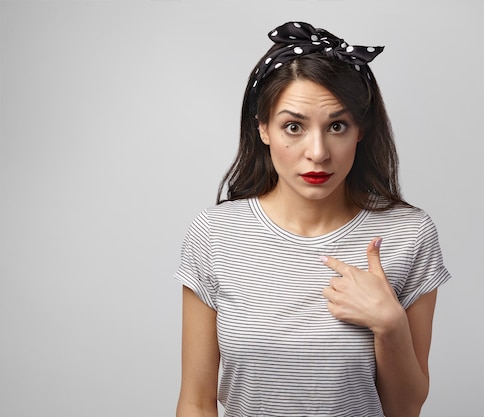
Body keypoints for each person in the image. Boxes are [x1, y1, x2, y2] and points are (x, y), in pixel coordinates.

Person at [174, 21, 451, 417]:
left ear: (360, 131)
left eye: (336, 126)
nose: (318, 152)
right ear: (263, 129)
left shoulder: (409, 234)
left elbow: (404, 408)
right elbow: (196, 401)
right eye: (294, 127)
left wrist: (389, 323)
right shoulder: (214, 234)